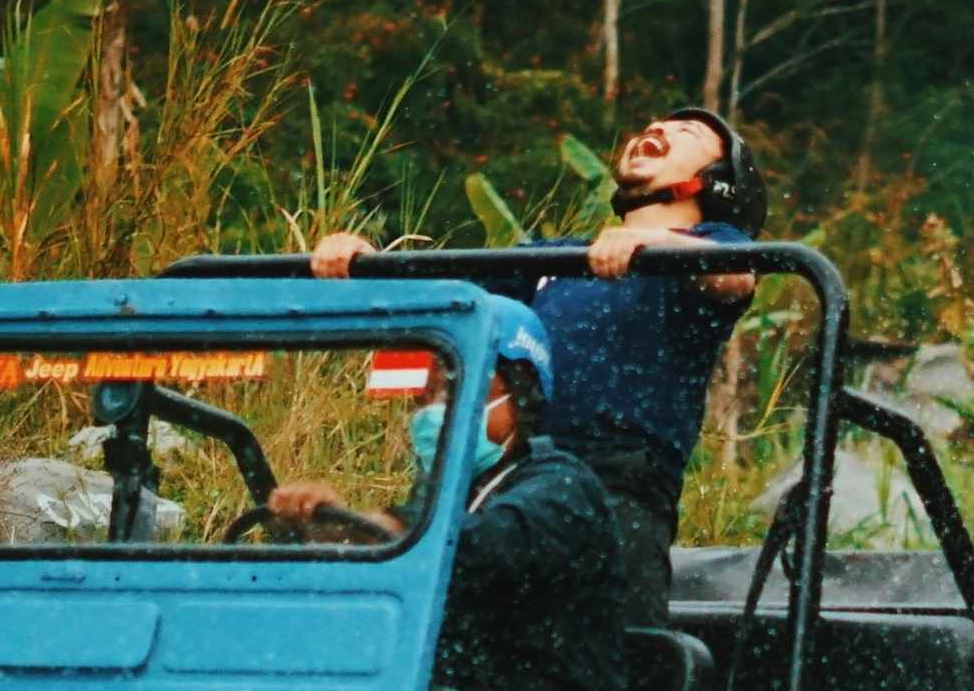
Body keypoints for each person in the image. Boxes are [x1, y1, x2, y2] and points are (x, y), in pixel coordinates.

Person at [311, 106, 766, 627]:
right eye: (651, 126)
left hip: (617, 492)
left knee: (606, 651)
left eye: (684, 133)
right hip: (512, 474)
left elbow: (736, 278)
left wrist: (654, 244)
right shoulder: (557, 259)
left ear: (716, 183)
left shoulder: (716, 250)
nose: (656, 130)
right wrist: (366, 263)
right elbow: (447, 298)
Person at [270, 301, 640, 691]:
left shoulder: (562, 490)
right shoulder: (437, 504)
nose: (433, 409)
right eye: (424, 397)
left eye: (455, 389)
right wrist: (310, 529)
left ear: (517, 396)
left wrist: (353, 525)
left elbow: (472, 550)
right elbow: (387, 546)